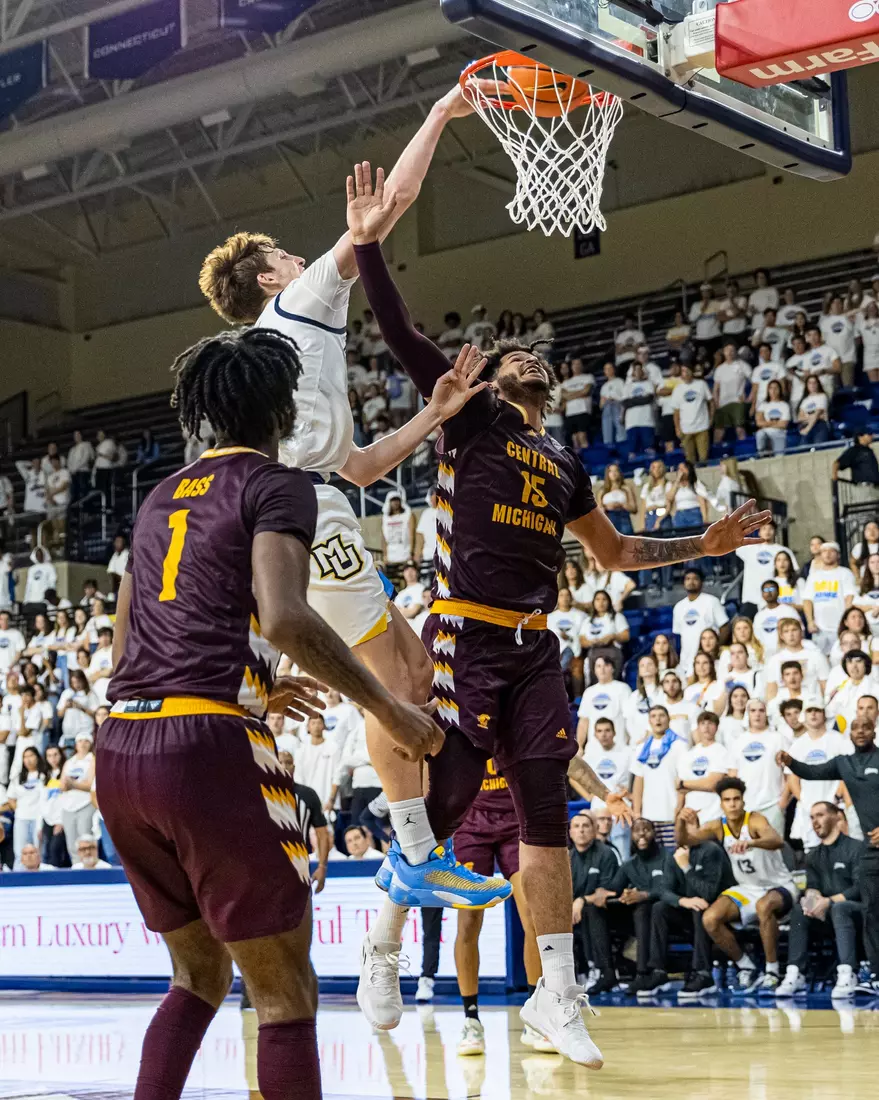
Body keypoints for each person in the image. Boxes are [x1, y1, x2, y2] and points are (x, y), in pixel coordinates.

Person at [349, 163, 770, 1066]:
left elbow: (613, 555)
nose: (525, 359)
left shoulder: (565, 461)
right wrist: (370, 245)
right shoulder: (470, 417)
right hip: (467, 632)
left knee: (545, 816)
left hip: (536, 650)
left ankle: (555, 995)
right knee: (445, 804)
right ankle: (381, 945)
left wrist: (702, 544)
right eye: (510, 358)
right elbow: (398, 331)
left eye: (532, 357)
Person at [96, 327, 456, 1100]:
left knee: (195, 975)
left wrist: (245, 685)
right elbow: (287, 617)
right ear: (282, 410)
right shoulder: (277, 483)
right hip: (204, 748)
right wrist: (389, 709)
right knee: (285, 989)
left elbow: (127, 641)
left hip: (121, 745)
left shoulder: (159, 496)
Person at [196, 88, 506, 967]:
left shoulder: (284, 349)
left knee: (412, 674)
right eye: (283, 254)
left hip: (320, 497)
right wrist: (442, 111)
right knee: (396, 676)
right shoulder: (300, 303)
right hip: (301, 507)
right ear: (269, 277)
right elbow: (390, 204)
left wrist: (433, 414)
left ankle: (411, 854)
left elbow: (360, 467)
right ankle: (412, 854)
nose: (301, 256)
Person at [778, 718, 879, 995]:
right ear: (849, 734)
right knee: (872, 912)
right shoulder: (844, 763)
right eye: (855, 728)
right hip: (872, 850)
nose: (860, 732)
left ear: (874, 730)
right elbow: (812, 772)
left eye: (866, 727)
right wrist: (790, 761)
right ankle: (875, 975)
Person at [676, 776, 798, 994]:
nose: (732, 804)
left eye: (736, 799)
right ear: (721, 804)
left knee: (764, 906)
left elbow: (777, 840)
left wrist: (751, 842)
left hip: (779, 886)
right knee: (710, 919)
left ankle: (772, 971)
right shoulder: (718, 826)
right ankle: (746, 966)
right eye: (727, 800)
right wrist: (680, 821)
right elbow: (685, 840)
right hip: (747, 889)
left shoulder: (756, 820)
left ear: (743, 801)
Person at [454, 759, 542, 1056]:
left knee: (532, 918)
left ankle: (536, 1016)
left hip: (516, 819)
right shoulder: (459, 729)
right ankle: (471, 1019)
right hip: (470, 823)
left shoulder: (517, 728)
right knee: (468, 922)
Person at [776, 801, 863, 1000]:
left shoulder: (856, 848)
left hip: (858, 912)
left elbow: (859, 889)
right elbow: (812, 888)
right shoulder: (813, 855)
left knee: (840, 908)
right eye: (812, 817)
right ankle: (795, 973)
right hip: (827, 913)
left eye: (820, 815)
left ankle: (848, 973)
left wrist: (828, 902)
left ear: (837, 816)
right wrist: (810, 905)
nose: (815, 821)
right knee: (800, 909)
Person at [570, 811, 625, 995]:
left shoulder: (606, 853)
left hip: (611, 911)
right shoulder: (567, 858)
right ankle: (566, 975)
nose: (581, 830)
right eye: (576, 827)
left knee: (591, 909)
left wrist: (582, 900)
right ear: (570, 833)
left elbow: (606, 893)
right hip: (577, 912)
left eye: (586, 826)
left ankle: (602, 970)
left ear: (594, 830)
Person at [786, 702, 852, 850]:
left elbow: (848, 771)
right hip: (809, 811)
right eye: (809, 711)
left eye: (817, 710)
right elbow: (792, 779)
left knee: (840, 851)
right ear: (804, 715)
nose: (813, 714)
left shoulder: (840, 740)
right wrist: (804, 801)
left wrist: (838, 795)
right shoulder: (797, 745)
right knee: (812, 854)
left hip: (836, 806)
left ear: (824, 714)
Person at [630, 707, 687, 850]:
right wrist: (637, 813)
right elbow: (638, 781)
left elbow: (684, 781)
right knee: (652, 858)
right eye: (654, 716)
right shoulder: (641, 748)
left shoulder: (680, 745)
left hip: (671, 814)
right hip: (648, 817)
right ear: (649, 721)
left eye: (662, 715)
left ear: (669, 719)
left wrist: (679, 809)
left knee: (673, 857)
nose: (658, 719)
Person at [728, 701, 788, 834]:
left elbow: (790, 774)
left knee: (774, 847)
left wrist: (782, 802)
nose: (757, 714)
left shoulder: (778, 739)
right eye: (753, 711)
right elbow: (732, 775)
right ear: (747, 714)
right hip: (745, 806)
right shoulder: (738, 741)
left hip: (772, 805)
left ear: (767, 714)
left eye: (761, 710)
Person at [802, 541, 857, 654]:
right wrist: (810, 621)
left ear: (838, 555)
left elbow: (849, 597)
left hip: (839, 628)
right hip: (819, 629)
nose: (827, 554)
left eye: (831, 551)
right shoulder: (814, 576)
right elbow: (807, 600)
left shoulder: (845, 573)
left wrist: (846, 622)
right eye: (824, 551)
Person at [735, 519, 796, 619]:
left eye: (770, 529)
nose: (767, 531)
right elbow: (733, 541)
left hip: (774, 600)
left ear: (775, 531)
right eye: (764, 528)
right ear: (759, 532)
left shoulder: (784, 551)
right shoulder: (749, 548)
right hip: (750, 598)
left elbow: (793, 573)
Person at [673, 568, 729, 675]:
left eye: (695, 579)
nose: (691, 581)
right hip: (686, 661)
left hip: (709, 660)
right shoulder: (678, 607)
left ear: (701, 582)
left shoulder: (712, 601)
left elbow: (725, 627)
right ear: (683, 583)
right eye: (688, 579)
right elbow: (678, 635)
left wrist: (716, 648)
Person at [676, 712, 730, 822]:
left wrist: (683, 784)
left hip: (714, 814)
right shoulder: (689, 754)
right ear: (698, 727)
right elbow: (680, 790)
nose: (706, 727)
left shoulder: (721, 751)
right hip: (690, 813)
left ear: (716, 727)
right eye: (703, 723)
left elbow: (712, 784)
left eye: (710, 723)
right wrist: (677, 812)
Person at [576, 656, 631, 748]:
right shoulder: (589, 692)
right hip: (594, 747)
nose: (602, 669)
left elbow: (629, 718)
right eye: (598, 666)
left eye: (606, 665)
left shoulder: (623, 689)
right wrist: (580, 746)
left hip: (619, 746)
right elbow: (583, 721)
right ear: (594, 670)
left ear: (613, 668)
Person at [671, 364, 714, 464]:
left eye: (687, 371)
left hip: (702, 426)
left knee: (704, 458)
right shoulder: (678, 389)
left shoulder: (701, 384)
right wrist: (677, 428)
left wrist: (711, 418)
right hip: (686, 428)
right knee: (689, 460)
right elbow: (676, 412)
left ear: (692, 372)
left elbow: (711, 402)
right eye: (683, 371)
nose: (685, 374)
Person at [712, 341, 751, 444]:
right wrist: (716, 403)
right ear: (723, 352)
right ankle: (718, 452)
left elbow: (755, 382)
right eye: (727, 350)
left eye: (732, 350)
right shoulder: (719, 369)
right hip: (722, 404)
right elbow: (715, 389)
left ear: (735, 352)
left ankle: (744, 450)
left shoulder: (743, 365)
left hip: (737, 402)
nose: (729, 353)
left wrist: (748, 397)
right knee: (718, 432)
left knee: (740, 429)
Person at [754, 380, 791, 457]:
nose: (773, 391)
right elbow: (759, 423)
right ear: (768, 390)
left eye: (776, 388)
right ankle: (763, 455)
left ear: (780, 390)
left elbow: (783, 424)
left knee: (779, 457)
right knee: (759, 434)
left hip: (779, 434)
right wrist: (775, 423)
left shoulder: (784, 405)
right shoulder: (763, 405)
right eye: (771, 388)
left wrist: (766, 424)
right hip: (766, 433)